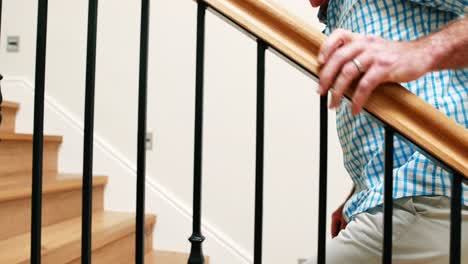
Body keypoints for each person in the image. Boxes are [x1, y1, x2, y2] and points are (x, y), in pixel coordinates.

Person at [306, 0, 468, 263]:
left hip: (433, 193)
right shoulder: (337, 19)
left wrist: (419, 52)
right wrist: (358, 194)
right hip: (408, 202)